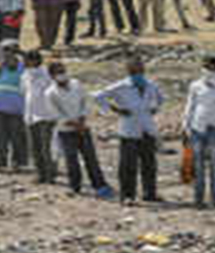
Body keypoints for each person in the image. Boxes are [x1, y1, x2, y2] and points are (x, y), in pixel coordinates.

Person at [95, 60, 164, 205]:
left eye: (140, 70)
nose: (138, 73)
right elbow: (98, 96)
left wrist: (154, 108)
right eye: (134, 71)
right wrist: (116, 109)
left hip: (147, 128)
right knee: (128, 165)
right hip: (129, 130)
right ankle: (127, 196)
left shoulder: (150, 85)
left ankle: (149, 193)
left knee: (149, 164)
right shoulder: (121, 86)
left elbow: (161, 99)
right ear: (128, 71)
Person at [46, 61, 114, 198]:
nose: (62, 75)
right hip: (66, 131)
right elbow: (56, 114)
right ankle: (75, 186)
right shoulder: (50, 93)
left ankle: (99, 185)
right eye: (58, 72)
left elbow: (85, 101)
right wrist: (74, 124)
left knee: (91, 158)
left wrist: (82, 119)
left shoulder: (76, 84)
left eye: (63, 71)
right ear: (52, 76)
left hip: (83, 127)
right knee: (72, 160)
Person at [183, 56, 215, 209]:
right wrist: (185, 128)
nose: (208, 71)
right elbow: (190, 107)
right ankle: (198, 199)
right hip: (197, 128)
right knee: (198, 165)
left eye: (211, 68)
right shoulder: (195, 86)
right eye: (206, 68)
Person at [0, 41, 29, 172]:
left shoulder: (23, 67)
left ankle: (18, 162)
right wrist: (0, 65)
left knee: (18, 136)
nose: (6, 54)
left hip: (18, 108)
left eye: (9, 50)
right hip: (0, 107)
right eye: (3, 50)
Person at [21, 50, 57, 184]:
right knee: (34, 147)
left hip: (46, 116)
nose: (23, 63)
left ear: (34, 61)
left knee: (46, 148)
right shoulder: (25, 75)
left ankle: (50, 175)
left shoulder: (47, 75)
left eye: (26, 60)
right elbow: (25, 92)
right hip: (30, 115)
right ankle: (40, 174)